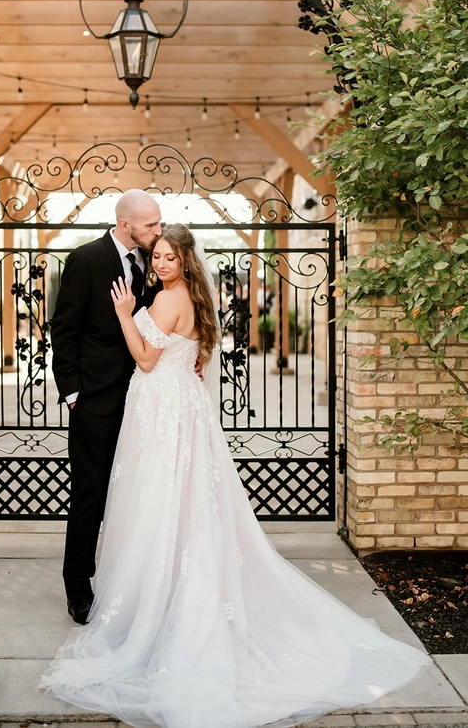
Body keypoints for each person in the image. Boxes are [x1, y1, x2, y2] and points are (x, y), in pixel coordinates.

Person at [42, 223, 431, 728]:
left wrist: (122, 314)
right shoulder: (195, 301)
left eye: (167, 257)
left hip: (163, 409)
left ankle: (161, 596)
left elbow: (144, 360)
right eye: (155, 255)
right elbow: (195, 362)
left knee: (160, 499)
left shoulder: (164, 302)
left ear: (184, 261)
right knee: (183, 500)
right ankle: (174, 584)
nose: (159, 264)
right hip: (180, 408)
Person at [50, 189, 162, 626]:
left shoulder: (154, 263)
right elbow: (64, 329)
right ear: (125, 225)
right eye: (150, 224)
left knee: (135, 492)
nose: (157, 230)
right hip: (95, 401)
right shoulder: (86, 259)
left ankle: (127, 580)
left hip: (144, 397)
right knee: (89, 495)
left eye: (158, 223)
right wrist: (73, 392)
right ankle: (77, 587)